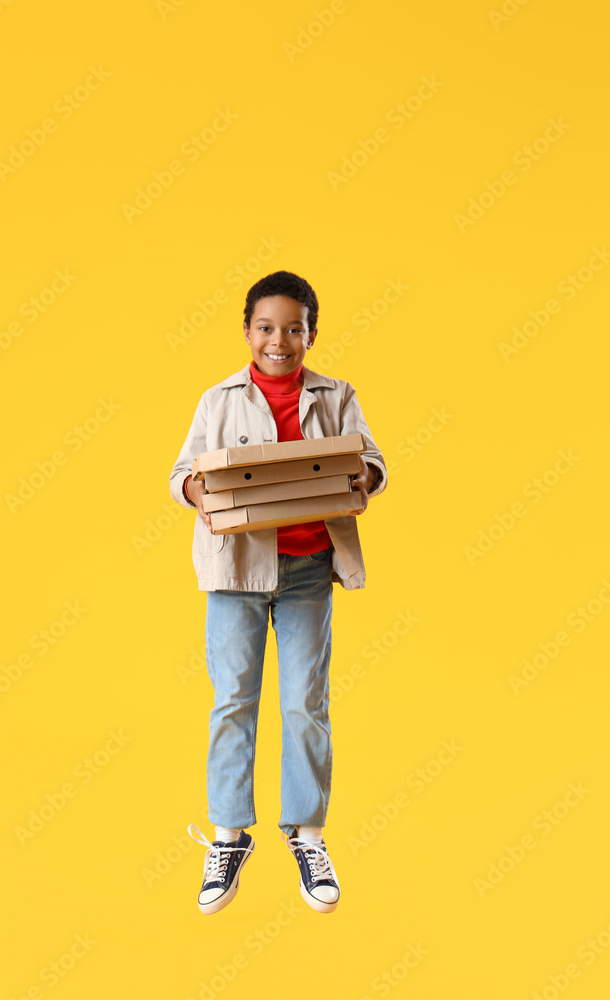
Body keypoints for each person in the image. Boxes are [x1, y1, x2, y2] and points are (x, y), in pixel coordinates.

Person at [169, 270, 387, 915]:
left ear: (310, 334)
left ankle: (309, 835)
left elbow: (372, 461)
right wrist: (198, 493)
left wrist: (362, 479)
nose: (279, 340)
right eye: (266, 327)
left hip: (308, 569)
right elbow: (183, 473)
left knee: (305, 704)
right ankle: (228, 837)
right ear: (247, 331)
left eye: (294, 328)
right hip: (235, 571)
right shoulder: (219, 400)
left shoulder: (337, 395)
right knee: (232, 701)